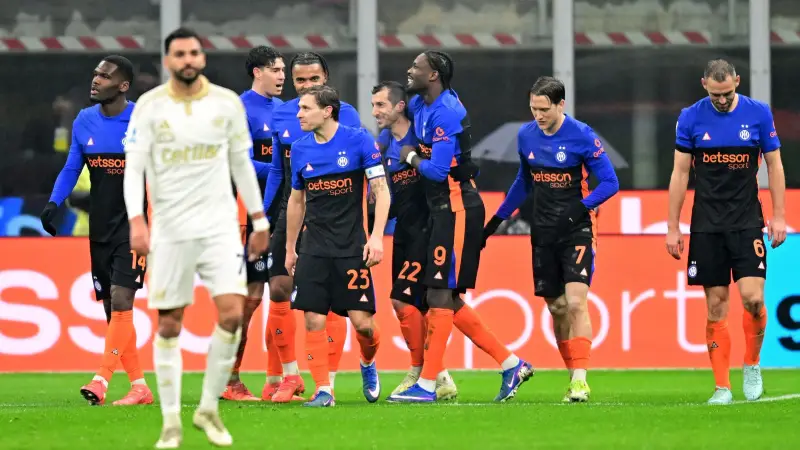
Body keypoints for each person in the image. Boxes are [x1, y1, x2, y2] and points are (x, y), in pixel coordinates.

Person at [123, 27, 268, 448]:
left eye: (193, 53)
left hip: (219, 227)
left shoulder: (226, 103)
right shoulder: (149, 107)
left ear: (202, 58)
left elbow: (241, 165)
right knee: (169, 322)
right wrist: (136, 220)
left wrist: (259, 221)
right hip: (170, 229)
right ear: (168, 61)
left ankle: (207, 409)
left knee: (232, 315)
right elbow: (134, 168)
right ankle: (171, 422)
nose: (187, 59)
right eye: (179, 54)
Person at [390, 51, 533, 403]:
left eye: (416, 67)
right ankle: (511, 364)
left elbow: (438, 171)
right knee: (446, 297)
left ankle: (427, 384)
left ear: (433, 75)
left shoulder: (447, 112)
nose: (410, 70)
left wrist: (410, 156)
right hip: (441, 210)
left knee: (440, 294)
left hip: (458, 208)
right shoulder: (420, 104)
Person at [483, 76, 620, 403]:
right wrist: (496, 221)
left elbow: (610, 182)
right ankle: (573, 376)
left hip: (577, 230)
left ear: (561, 105)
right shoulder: (526, 135)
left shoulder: (582, 135)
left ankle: (581, 380)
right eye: (534, 108)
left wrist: (579, 209)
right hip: (542, 231)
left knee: (575, 302)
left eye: (544, 109)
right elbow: (523, 181)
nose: (538, 115)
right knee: (557, 308)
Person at [665, 59, 786, 405]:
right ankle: (722, 387)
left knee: (753, 299)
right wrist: (673, 226)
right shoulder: (690, 117)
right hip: (707, 223)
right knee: (716, 305)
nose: (721, 100)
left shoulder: (758, 113)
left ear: (737, 82)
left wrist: (779, 216)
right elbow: (680, 173)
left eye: (728, 93)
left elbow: (774, 164)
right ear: (704, 84)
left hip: (747, 220)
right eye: (715, 94)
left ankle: (752, 364)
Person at [41, 55, 153, 407]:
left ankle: (101, 379)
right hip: (100, 229)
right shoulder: (84, 120)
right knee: (111, 309)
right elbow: (72, 166)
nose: (96, 80)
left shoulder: (142, 120)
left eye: (105, 76)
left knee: (121, 300)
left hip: (133, 227)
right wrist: (54, 202)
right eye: (95, 74)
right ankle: (139, 387)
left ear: (123, 85)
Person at [261, 52, 363, 402]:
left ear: (326, 79)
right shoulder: (283, 114)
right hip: (290, 210)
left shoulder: (347, 114)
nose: (306, 86)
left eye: (313, 79)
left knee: (331, 302)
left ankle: (327, 380)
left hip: (332, 219)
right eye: (300, 80)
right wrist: (264, 216)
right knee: (278, 287)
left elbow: (362, 171)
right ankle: (291, 375)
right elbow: (278, 170)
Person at [283, 85, 387, 407]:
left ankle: (367, 361)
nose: (298, 114)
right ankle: (324, 390)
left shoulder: (359, 141)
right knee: (313, 318)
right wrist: (290, 247)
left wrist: (376, 236)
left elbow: (381, 190)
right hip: (313, 247)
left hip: (351, 247)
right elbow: (296, 201)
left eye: (305, 108)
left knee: (363, 325)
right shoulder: (299, 149)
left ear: (327, 111)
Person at [370, 80, 458, 401]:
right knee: (422, 306)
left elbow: (438, 174)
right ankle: (439, 375)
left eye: (380, 105)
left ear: (399, 106)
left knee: (403, 300)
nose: (375, 112)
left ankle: (420, 371)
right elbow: (391, 195)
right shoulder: (383, 144)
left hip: (428, 230)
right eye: (373, 105)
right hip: (403, 232)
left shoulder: (421, 139)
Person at [222, 45, 285, 402]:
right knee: (250, 299)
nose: (281, 76)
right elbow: (240, 162)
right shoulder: (239, 108)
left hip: (285, 213)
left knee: (282, 295)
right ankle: (229, 378)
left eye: (283, 70)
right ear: (257, 72)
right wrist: (282, 170)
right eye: (275, 69)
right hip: (251, 216)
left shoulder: (286, 110)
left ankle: (277, 380)